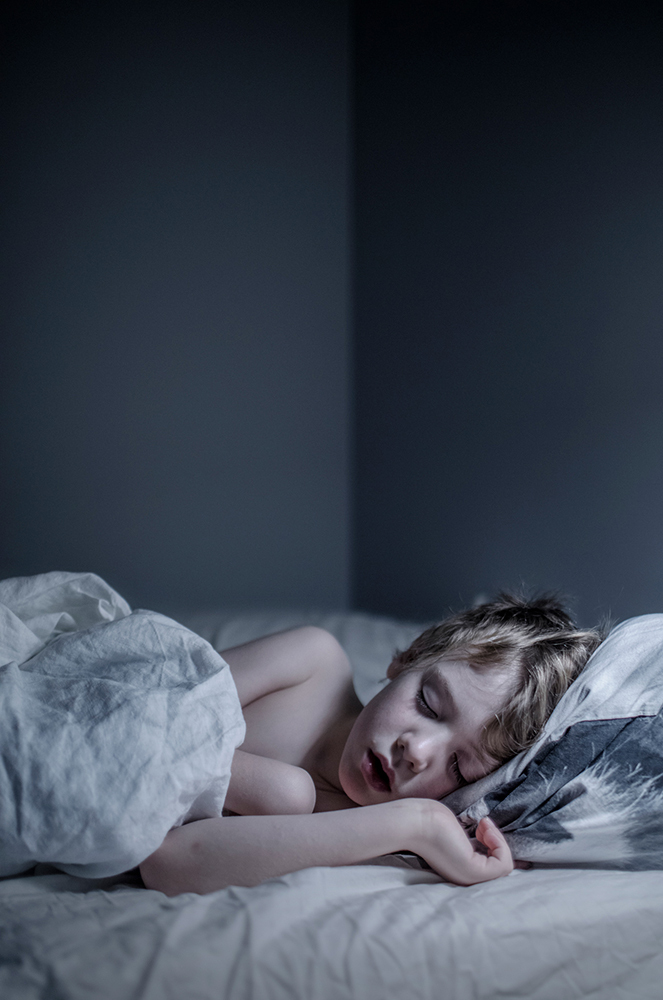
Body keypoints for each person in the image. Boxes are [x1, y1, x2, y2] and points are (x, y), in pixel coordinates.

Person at [140, 594, 603, 895]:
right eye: (428, 702)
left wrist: (417, 825)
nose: (417, 752)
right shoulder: (311, 662)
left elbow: (169, 863)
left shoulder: (365, 832)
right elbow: (140, 717)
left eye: (460, 769)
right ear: (410, 656)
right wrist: (276, 790)